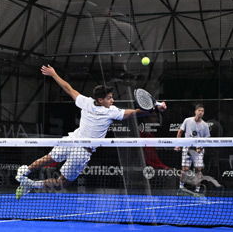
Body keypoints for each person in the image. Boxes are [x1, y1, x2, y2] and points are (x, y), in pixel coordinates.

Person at [14, 65, 167, 199]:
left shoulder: (103, 108)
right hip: (78, 144)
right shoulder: (96, 106)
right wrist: (53, 74)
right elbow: (68, 88)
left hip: (78, 145)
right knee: (55, 169)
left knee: (55, 169)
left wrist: (155, 107)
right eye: (109, 98)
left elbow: (134, 113)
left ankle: (27, 179)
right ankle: (26, 176)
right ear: (100, 100)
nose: (112, 101)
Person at [174, 103, 210, 193]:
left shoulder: (205, 125)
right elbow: (180, 132)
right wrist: (177, 144)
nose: (201, 112)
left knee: (198, 170)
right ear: (195, 111)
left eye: (202, 111)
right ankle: (181, 187)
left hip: (199, 150)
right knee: (185, 169)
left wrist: (200, 148)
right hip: (187, 148)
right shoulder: (187, 121)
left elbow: (207, 139)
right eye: (199, 110)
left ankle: (197, 190)